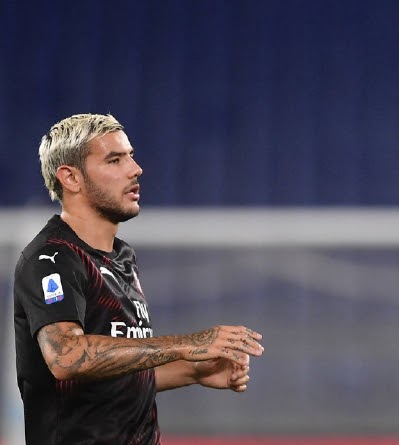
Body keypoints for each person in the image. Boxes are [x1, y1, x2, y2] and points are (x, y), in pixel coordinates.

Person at [13, 113, 265, 444]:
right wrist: (187, 344)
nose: (135, 169)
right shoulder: (52, 257)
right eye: (114, 159)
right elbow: (67, 356)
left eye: (130, 156)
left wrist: (193, 371)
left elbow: (108, 374)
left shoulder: (122, 256)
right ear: (70, 178)